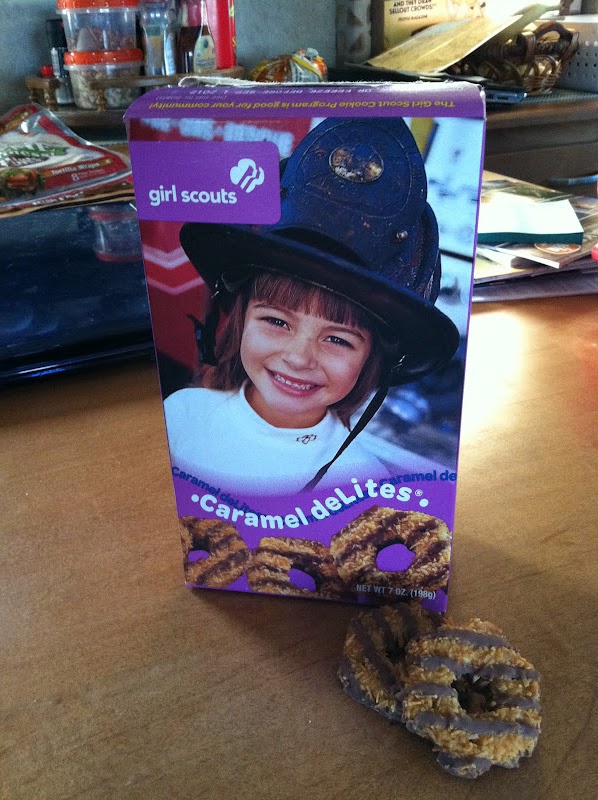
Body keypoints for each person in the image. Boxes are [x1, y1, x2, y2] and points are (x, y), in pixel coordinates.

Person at [164, 116, 460, 494]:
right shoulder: (182, 416)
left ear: (373, 358)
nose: (299, 358)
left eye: (338, 339)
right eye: (277, 321)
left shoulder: (362, 480)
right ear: (241, 319)